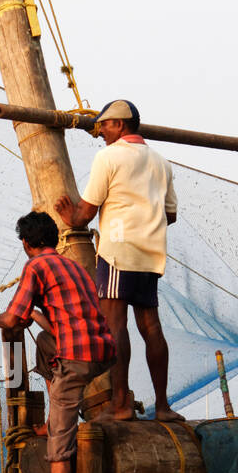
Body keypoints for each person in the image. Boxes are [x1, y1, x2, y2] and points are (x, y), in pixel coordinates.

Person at [0, 211, 115, 473]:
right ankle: (55, 417)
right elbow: (57, 326)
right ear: (54, 239)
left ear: (27, 243)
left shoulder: (35, 267)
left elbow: (13, 318)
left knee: (58, 450)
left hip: (76, 360)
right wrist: (36, 314)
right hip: (102, 352)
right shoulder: (72, 266)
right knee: (45, 343)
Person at [53, 99, 181, 422]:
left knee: (114, 325)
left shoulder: (108, 158)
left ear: (120, 125)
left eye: (105, 125)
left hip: (118, 253)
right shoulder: (161, 163)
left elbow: (85, 212)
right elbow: (171, 214)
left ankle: (121, 404)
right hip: (150, 253)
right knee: (150, 326)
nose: (102, 133)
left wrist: (70, 216)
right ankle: (163, 406)